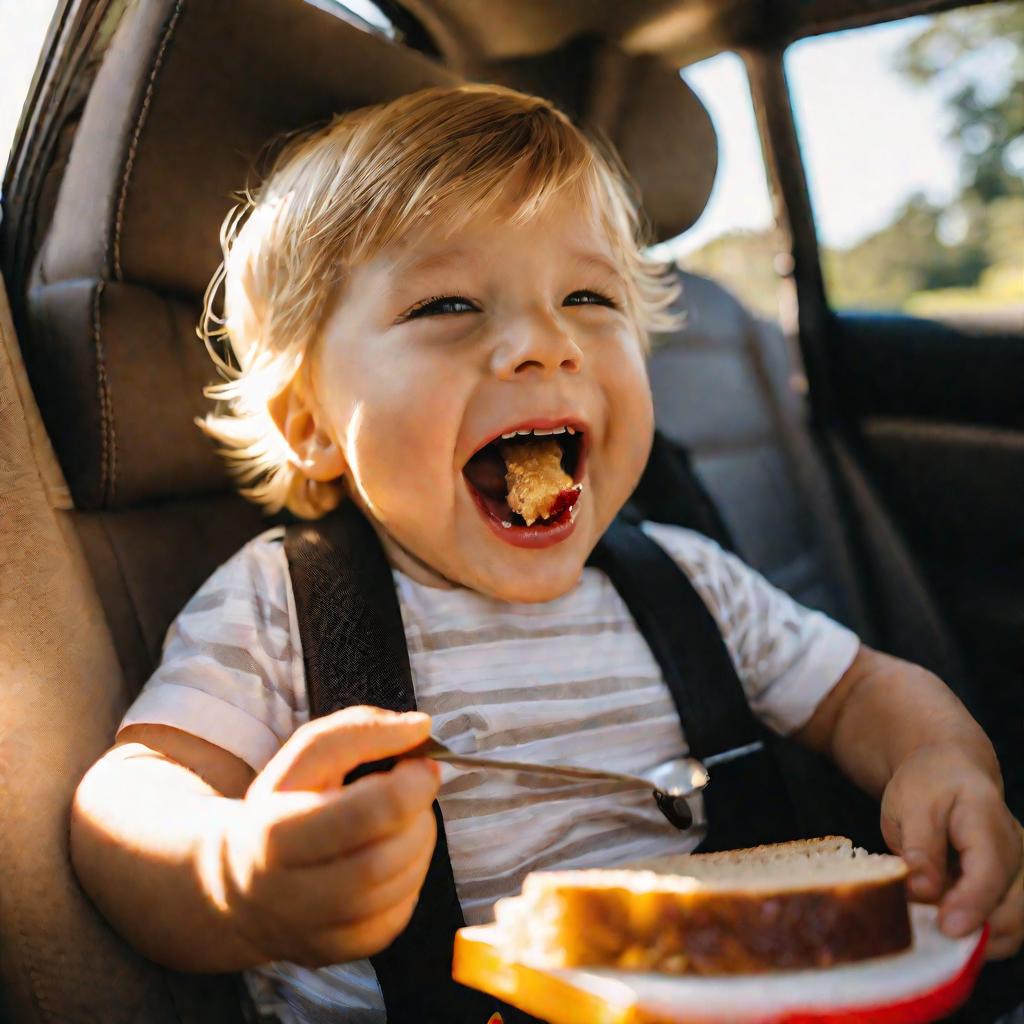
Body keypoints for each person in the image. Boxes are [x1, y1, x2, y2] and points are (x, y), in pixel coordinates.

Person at [70, 83, 1023, 1023]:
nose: (543, 343)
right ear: (312, 423)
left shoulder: (691, 583)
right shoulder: (281, 605)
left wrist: (943, 761)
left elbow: (863, 691)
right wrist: (235, 873)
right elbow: (131, 796)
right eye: (447, 304)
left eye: (587, 295)